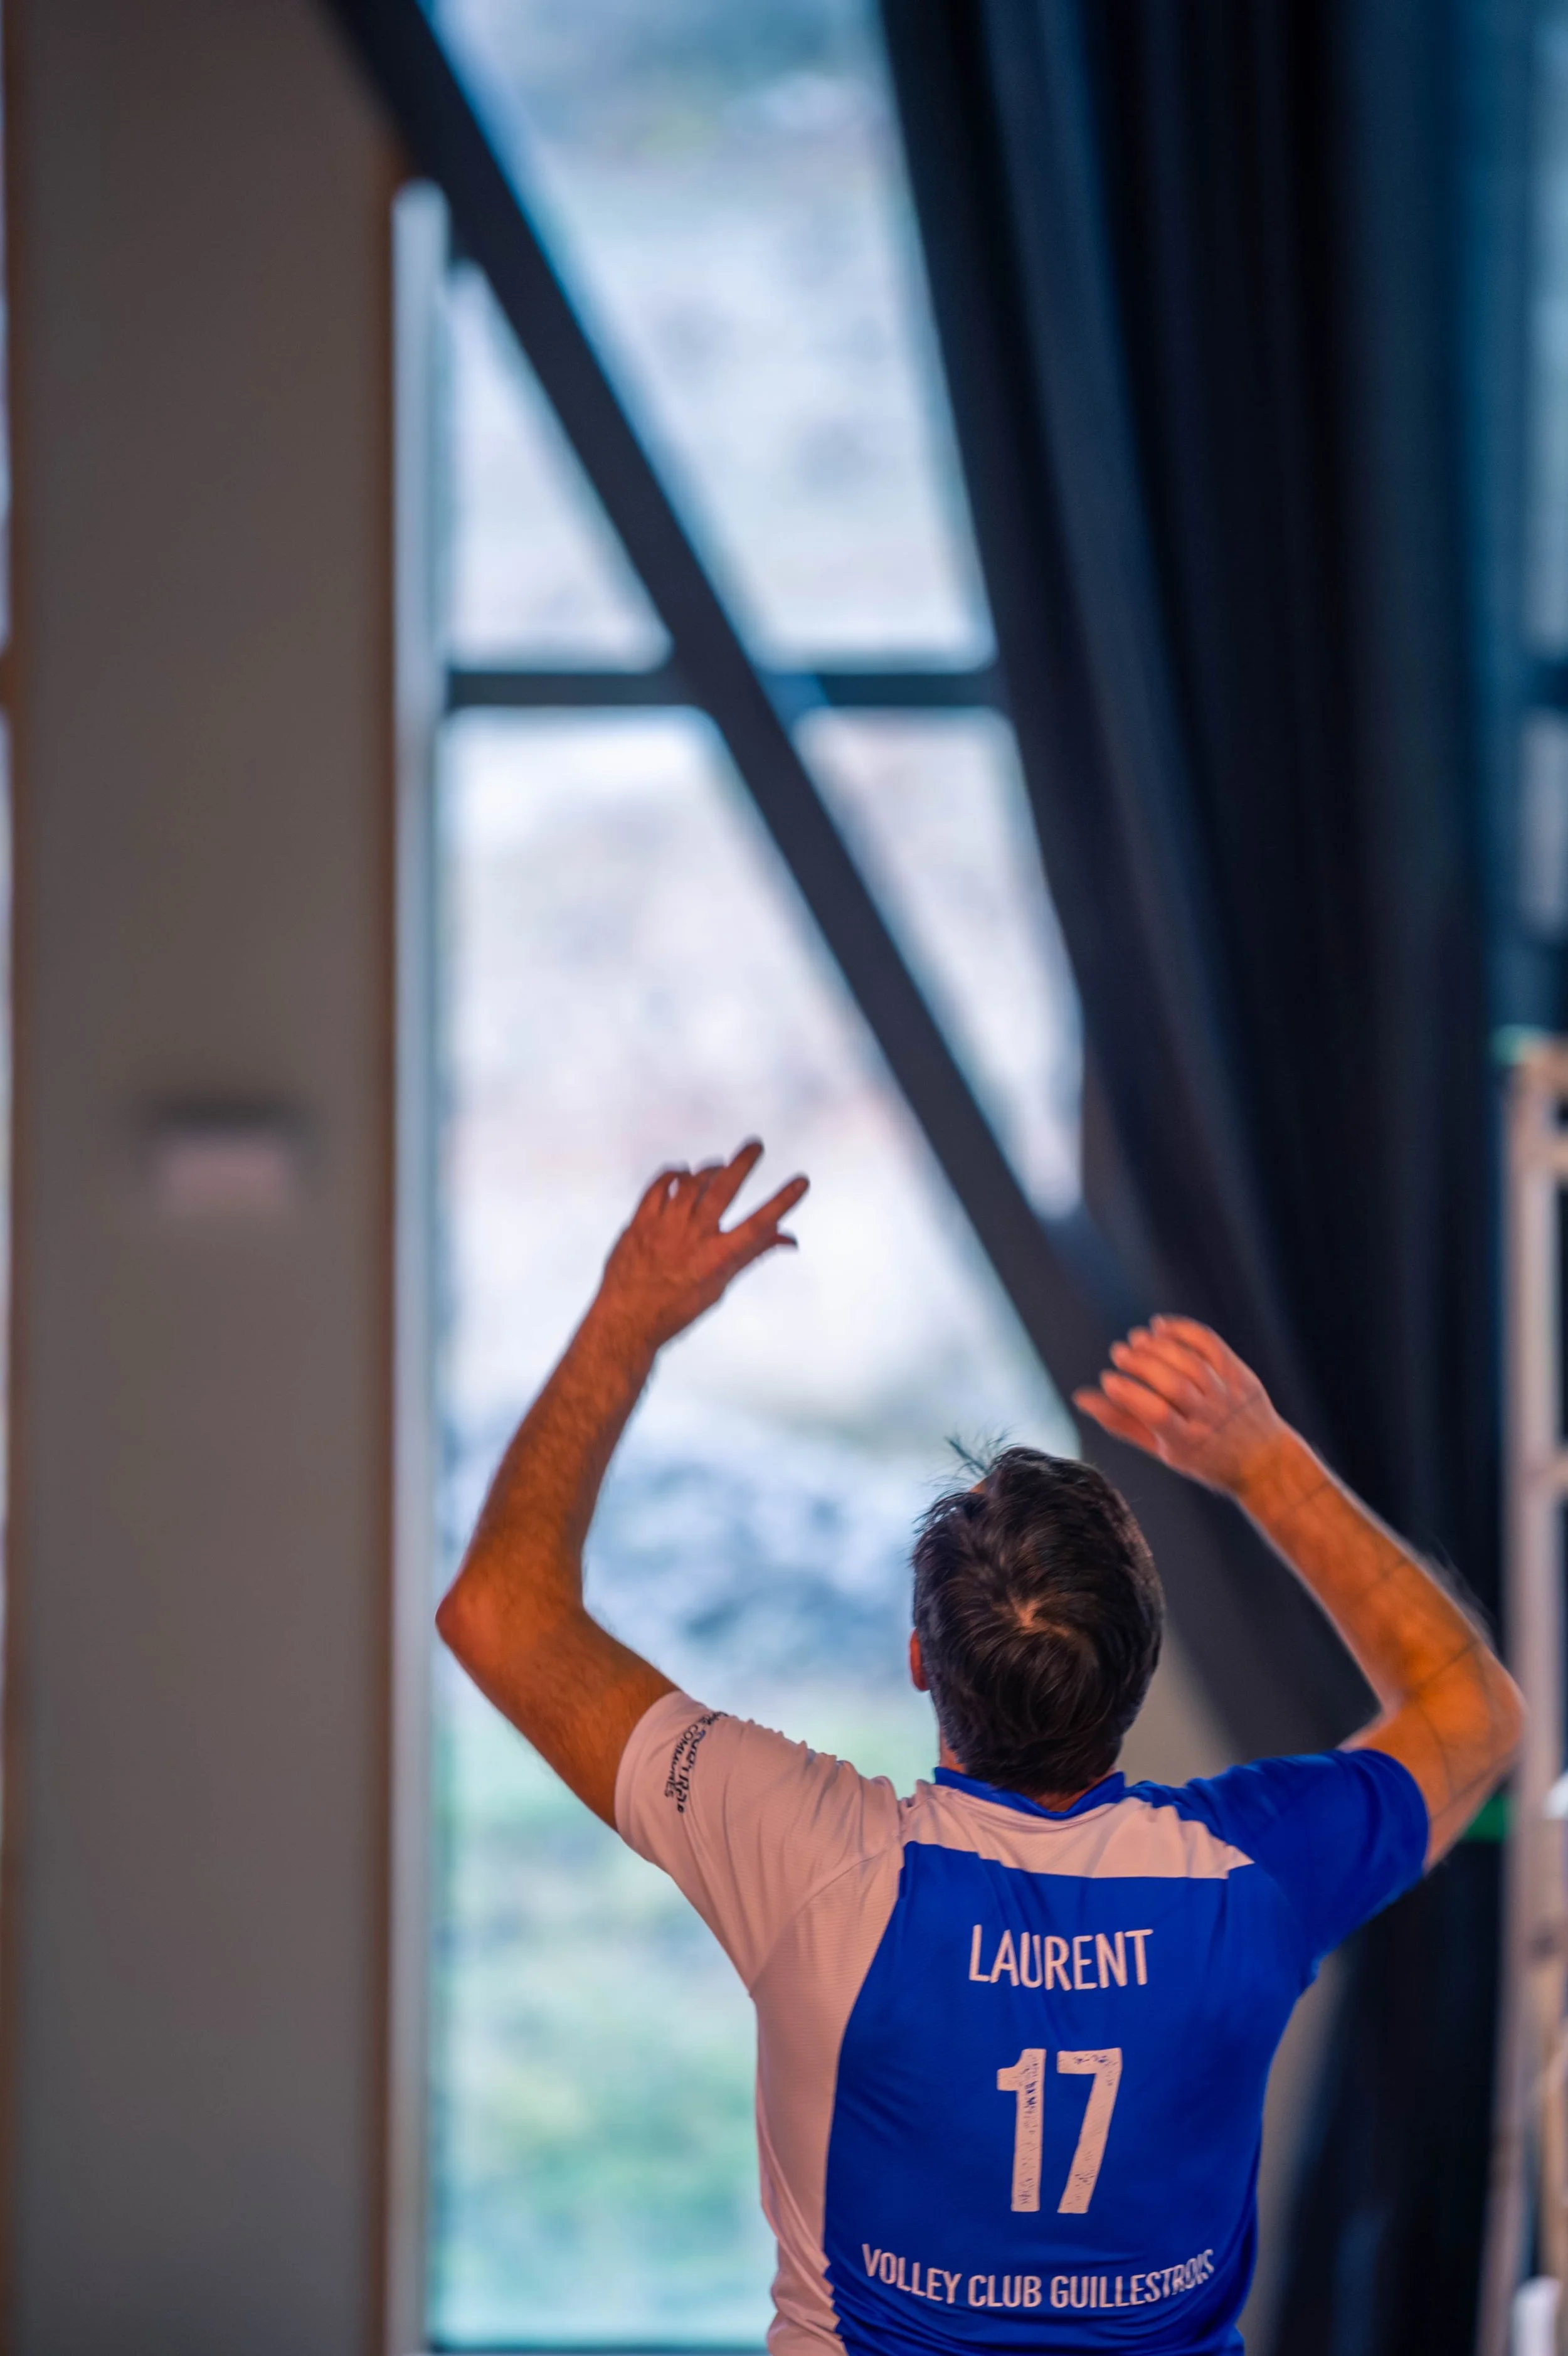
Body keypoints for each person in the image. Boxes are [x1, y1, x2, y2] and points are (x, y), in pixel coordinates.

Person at [437, 1140, 1522, 2356]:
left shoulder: (813, 1861)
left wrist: (627, 1319)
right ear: (1140, 1665)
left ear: (919, 1666)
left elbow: (498, 1612)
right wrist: (1262, 1466)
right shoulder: (1243, 1879)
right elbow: (1470, 1712)